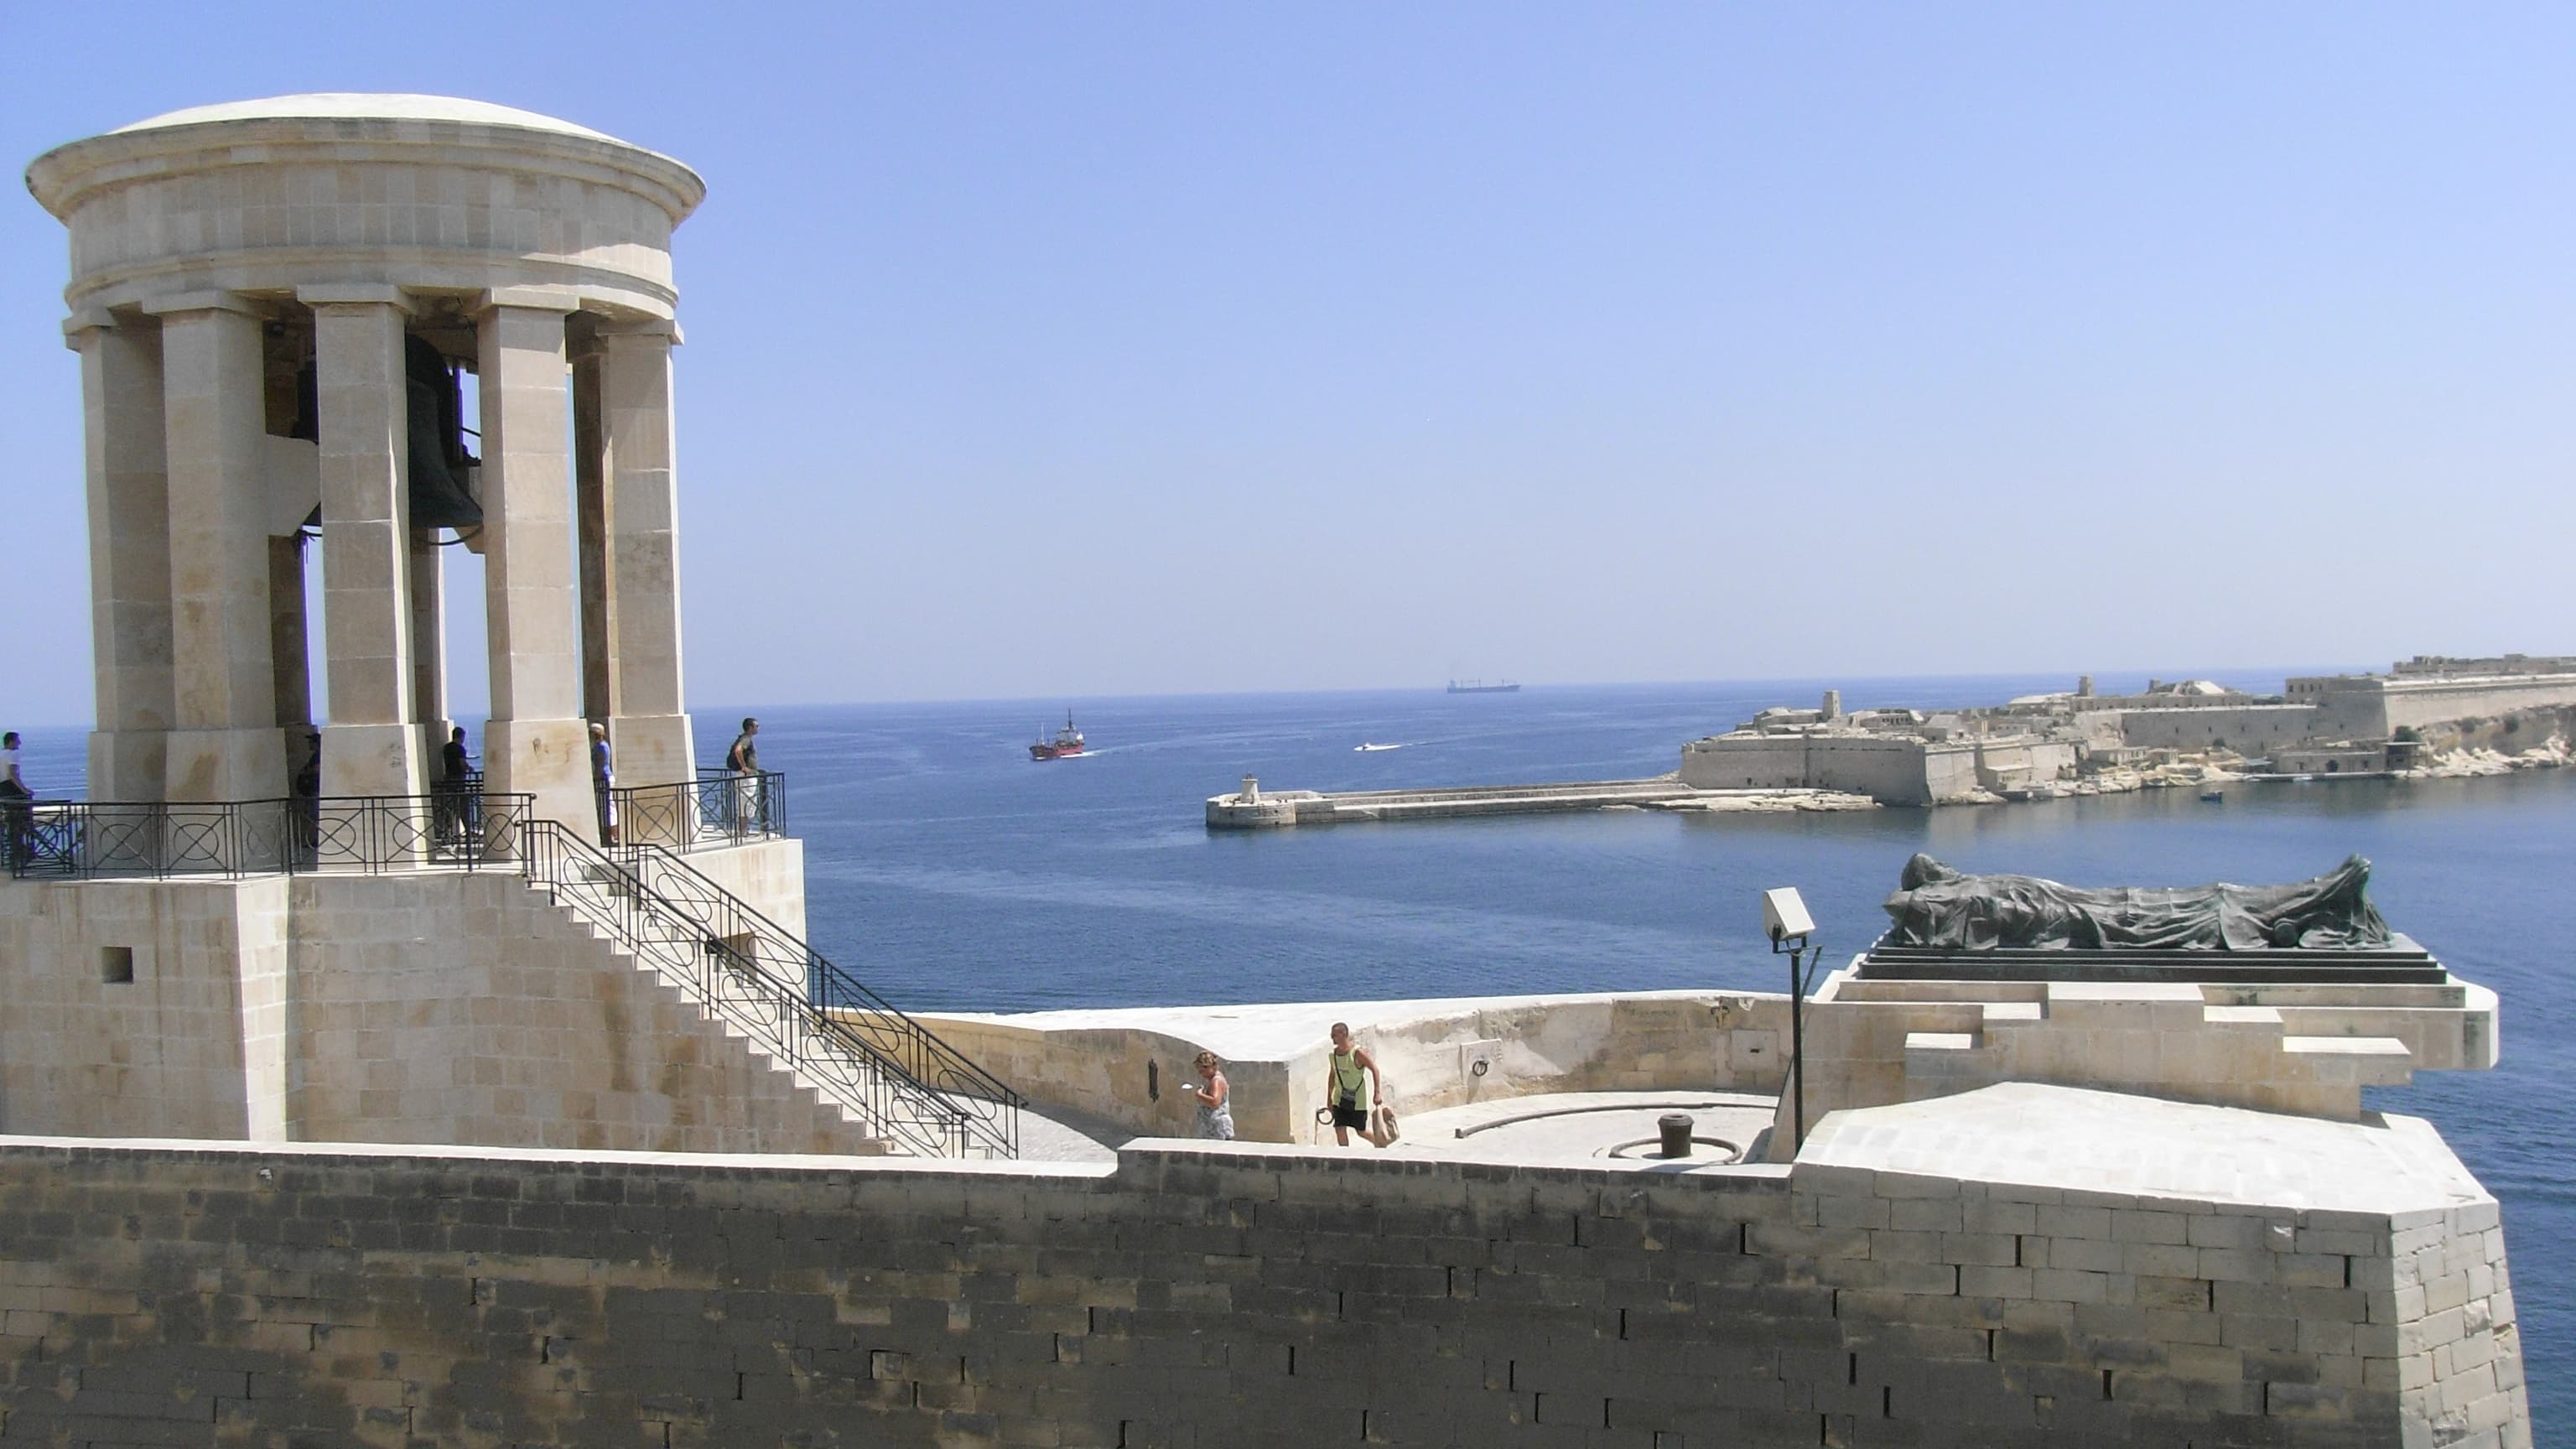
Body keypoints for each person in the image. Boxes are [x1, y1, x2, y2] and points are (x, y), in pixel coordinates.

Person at [1323, 1021, 1396, 1149]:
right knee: (1339, 1128)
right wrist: (1329, 1098)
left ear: (1343, 1034)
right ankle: (1345, 1155)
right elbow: (1332, 1076)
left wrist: (1377, 1092)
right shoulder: (1333, 1056)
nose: (1332, 1038)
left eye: (1334, 1035)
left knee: (1360, 1130)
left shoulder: (1357, 1053)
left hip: (1357, 1099)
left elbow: (1374, 1069)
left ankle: (1379, 1143)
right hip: (1340, 1098)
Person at [434, 725, 473, 852]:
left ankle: (447, 832)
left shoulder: (446, 748)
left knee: (449, 808)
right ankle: (468, 832)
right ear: (461, 736)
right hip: (459, 781)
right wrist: (469, 768)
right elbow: (462, 763)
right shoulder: (460, 749)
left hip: (448, 780)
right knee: (463, 808)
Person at [1185, 1051, 1234, 1140]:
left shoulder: (1217, 1081)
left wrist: (1199, 1094)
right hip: (1211, 1127)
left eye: (1202, 1071)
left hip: (1217, 1127)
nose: (1201, 1074)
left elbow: (1215, 1102)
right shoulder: (1214, 1080)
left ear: (1210, 1067)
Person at [724, 716, 761, 835]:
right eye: (756, 726)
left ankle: (743, 830)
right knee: (747, 802)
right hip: (746, 776)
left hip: (743, 776)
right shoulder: (746, 739)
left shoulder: (743, 738)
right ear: (750, 728)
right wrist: (744, 766)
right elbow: (738, 750)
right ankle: (743, 830)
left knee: (744, 802)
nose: (758, 728)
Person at [0, 732, 31, 870]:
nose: (19, 744)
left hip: (2, 790)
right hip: (11, 788)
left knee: (11, 821)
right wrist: (24, 791)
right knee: (22, 820)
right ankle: (21, 850)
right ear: (11, 742)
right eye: (18, 741)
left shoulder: (1, 754)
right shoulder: (13, 754)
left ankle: (13, 850)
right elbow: (13, 774)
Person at [589, 722, 618, 847]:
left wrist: (596, 776)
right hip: (603, 777)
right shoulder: (601, 745)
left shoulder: (601, 747)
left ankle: (612, 834)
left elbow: (601, 765)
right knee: (607, 806)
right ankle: (609, 833)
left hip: (605, 778)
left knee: (608, 806)